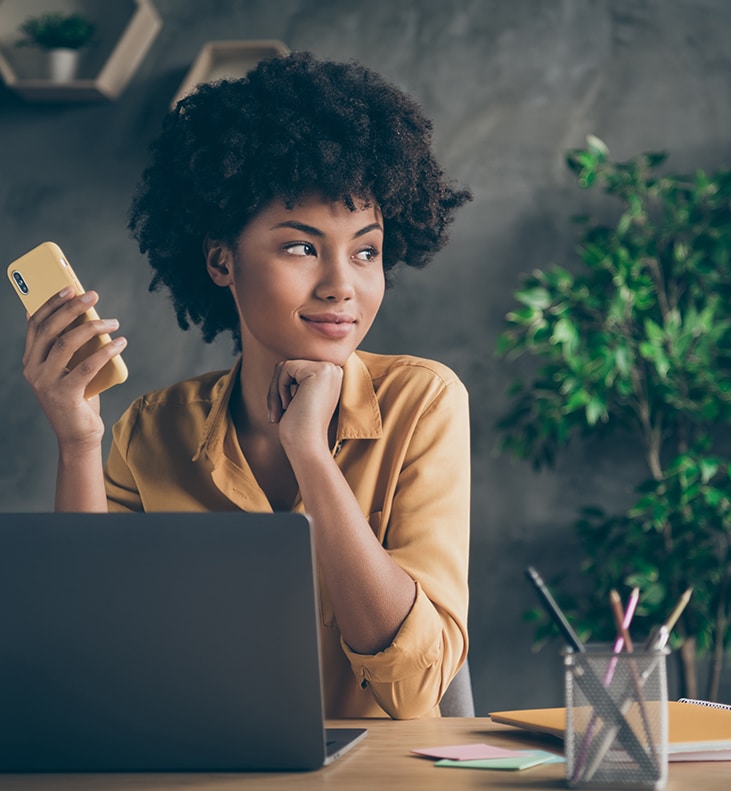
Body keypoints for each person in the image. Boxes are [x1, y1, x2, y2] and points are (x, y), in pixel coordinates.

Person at [21, 51, 472, 719]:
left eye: (366, 250)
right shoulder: (151, 432)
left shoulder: (424, 403)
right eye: (301, 246)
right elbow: (88, 668)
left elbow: (412, 691)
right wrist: (80, 443)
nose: (342, 285)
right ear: (220, 258)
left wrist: (312, 457)